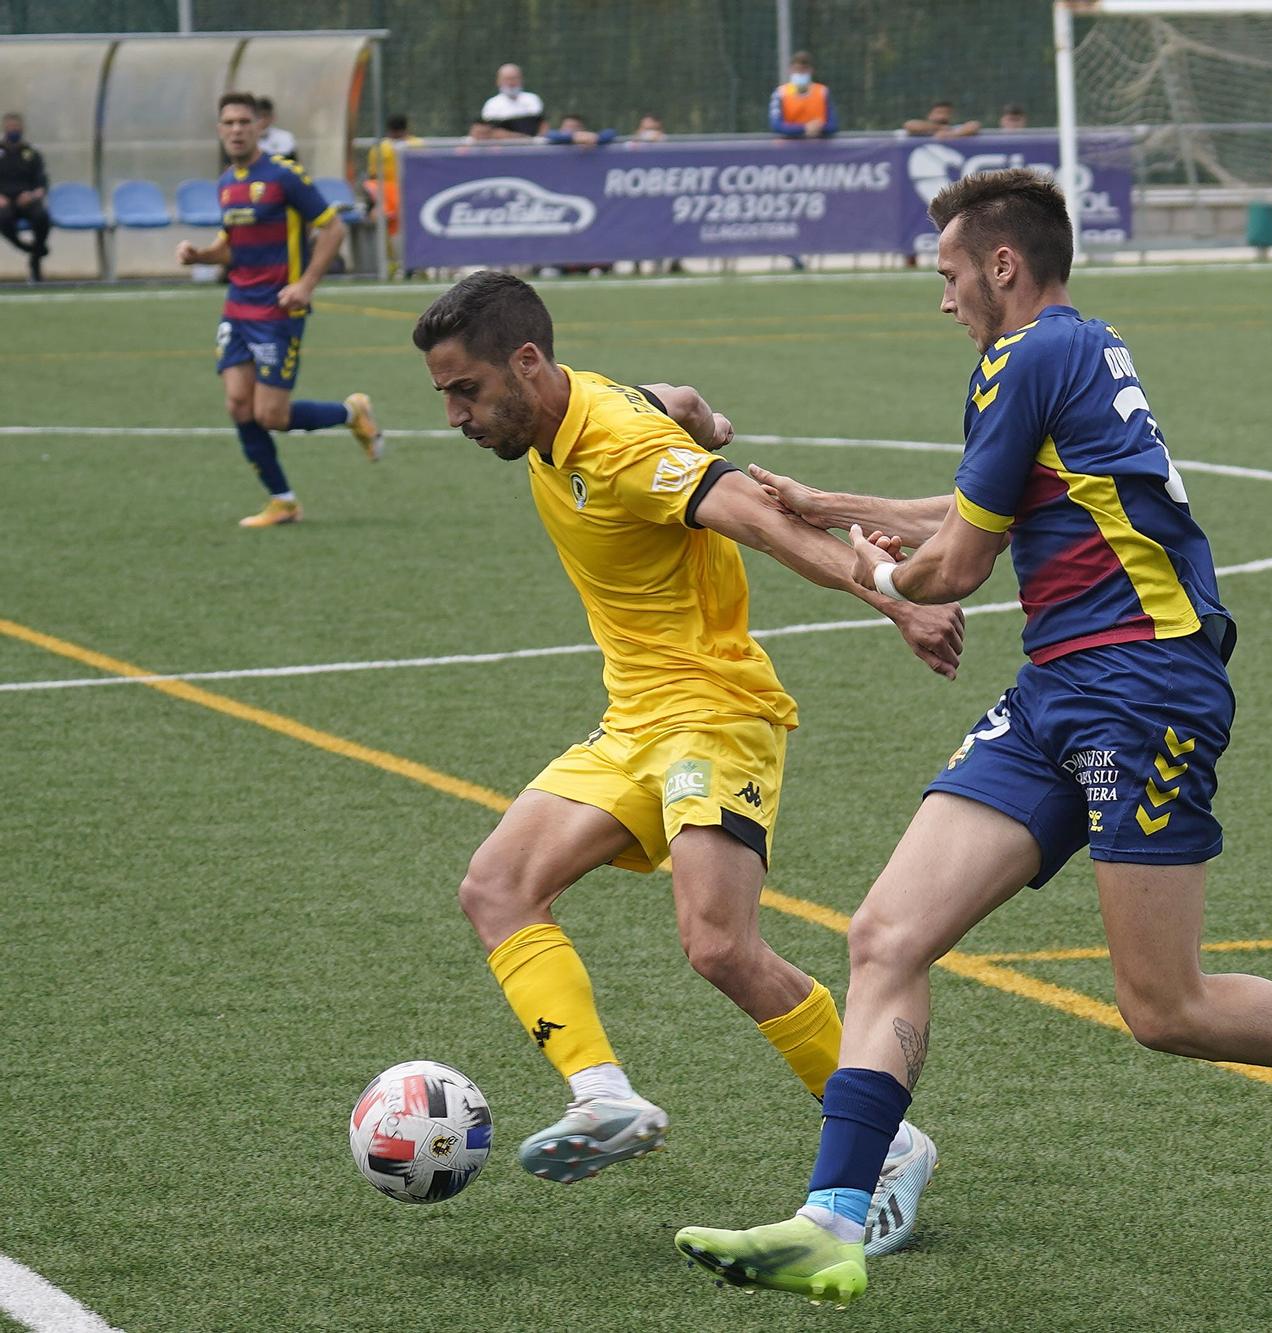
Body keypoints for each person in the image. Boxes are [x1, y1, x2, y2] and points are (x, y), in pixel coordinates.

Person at [672, 168, 1272, 1306]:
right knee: (884, 934)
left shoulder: (1023, 359)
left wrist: (873, 577)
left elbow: (959, 563)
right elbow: (999, 502)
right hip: (1058, 684)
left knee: (1164, 1008)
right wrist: (828, 505)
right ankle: (833, 1216)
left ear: (1002, 267)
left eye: (951, 274)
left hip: (1143, 689)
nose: (945, 297)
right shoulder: (1069, 350)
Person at [409, 270, 963, 1253]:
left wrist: (898, 599)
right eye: (444, 394)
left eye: (465, 390)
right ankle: (603, 1096)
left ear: (527, 364)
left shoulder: (620, 449)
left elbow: (757, 517)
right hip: (634, 721)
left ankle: (889, 1146)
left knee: (717, 946)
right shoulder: (574, 411)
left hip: (715, 712)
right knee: (496, 885)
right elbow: (668, 397)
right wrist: (703, 414)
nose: (453, 414)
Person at [174, 93, 382, 528]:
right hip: (237, 308)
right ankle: (283, 501)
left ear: (259, 128)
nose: (235, 129)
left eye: (244, 122)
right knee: (237, 405)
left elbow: (333, 227)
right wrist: (200, 256)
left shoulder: (284, 176)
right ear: (219, 129)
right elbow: (228, 246)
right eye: (228, 122)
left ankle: (352, 413)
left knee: (272, 416)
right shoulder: (227, 181)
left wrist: (305, 285)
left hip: (277, 312)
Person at [364, 113, 423, 271]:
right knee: (397, 230)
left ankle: (401, 265)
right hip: (403, 196)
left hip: (400, 197)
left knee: (396, 232)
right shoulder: (416, 144)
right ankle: (399, 265)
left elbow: (373, 177)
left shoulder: (381, 147)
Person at [0, 112, 51, 283]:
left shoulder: (31, 153)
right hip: (4, 202)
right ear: (4, 128)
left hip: (26, 200)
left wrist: (32, 194)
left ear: (22, 129)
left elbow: (42, 184)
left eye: (16, 127)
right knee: (3, 218)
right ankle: (29, 248)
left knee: (42, 217)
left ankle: (35, 263)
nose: (13, 130)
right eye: (10, 127)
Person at [769, 51, 837, 140]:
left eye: (804, 69)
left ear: (811, 70)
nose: (800, 73)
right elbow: (776, 125)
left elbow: (833, 125)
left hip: (819, 146)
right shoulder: (780, 93)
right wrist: (804, 128)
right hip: (789, 147)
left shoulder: (823, 92)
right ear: (791, 70)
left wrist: (819, 128)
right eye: (797, 69)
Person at [482, 64, 546, 138]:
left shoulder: (533, 99)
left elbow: (541, 126)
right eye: (506, 79)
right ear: (498, 81)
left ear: (521, 79)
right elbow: (488, 131)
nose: (510, 83)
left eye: (514, 78)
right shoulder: (491, 104)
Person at [902, 101, 979, 139]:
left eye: (947, 113)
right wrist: (939, 128)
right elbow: (909, 125)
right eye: (939, 112)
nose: (943, 116)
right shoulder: (920, 131)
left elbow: (974, 125)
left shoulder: (956, 129)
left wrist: (952, 135)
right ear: (929, 115)